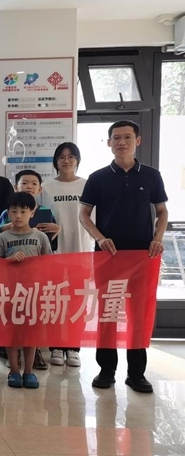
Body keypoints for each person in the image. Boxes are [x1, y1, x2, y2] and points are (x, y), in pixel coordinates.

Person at [79, 120, 168, 394]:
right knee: (108, 313)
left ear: (137, 141)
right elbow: (84, 215)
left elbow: (162, 211)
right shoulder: (98, 177)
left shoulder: (151, 176)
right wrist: (99, 238)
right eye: (116, 137)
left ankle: (136, 374)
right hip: (109, 257)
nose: (121, 142)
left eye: (127, 137)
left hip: (142, 256)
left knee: (138, 315)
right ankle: (106, 370)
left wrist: (157, 238)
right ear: (109, 142)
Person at [0, 168, 60, 370]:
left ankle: (29, 370)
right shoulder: (4, 237)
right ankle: (14, 368)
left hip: (34, 291)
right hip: (10, 291)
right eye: (14, 211)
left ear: (32, 213)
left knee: (31, 330)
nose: (18, 215)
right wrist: (9, 260)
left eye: (24, 211)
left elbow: (48, 261)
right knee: (11, 329)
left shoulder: (40, 236)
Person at [40, 143, 92, 368]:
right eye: (61, 157)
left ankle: (73, 347)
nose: (66, 160)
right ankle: (56, 347)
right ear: (56, 161)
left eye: (71, 157)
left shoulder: (88, 185)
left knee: (78, 302)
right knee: (55, 301)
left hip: (80, 252)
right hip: (54, 254)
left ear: (78, 160)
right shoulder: (46, 188)